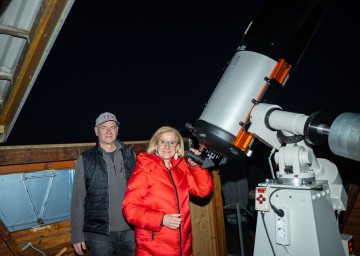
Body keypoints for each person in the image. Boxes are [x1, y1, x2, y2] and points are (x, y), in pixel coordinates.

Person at [122, 126, 214, 256]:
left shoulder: (181, 167)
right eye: (162, 141)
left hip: (183, 248)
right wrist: (161, 219)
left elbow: (203, 190)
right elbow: (130, 209)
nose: (167, 146)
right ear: (155, 144)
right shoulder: (144, 169)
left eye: (172, 142)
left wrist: (195, 166)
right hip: (153, 249)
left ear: (177, 146)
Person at [70, 112, 136, 256]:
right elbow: (78, 200)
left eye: (112, 127)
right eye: (104, 127)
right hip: (99, 234)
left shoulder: (131, 155)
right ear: (96, 131)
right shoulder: (86, 159)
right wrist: (77, 235)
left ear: (117, 131)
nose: (109, 131)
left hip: (130, 230)